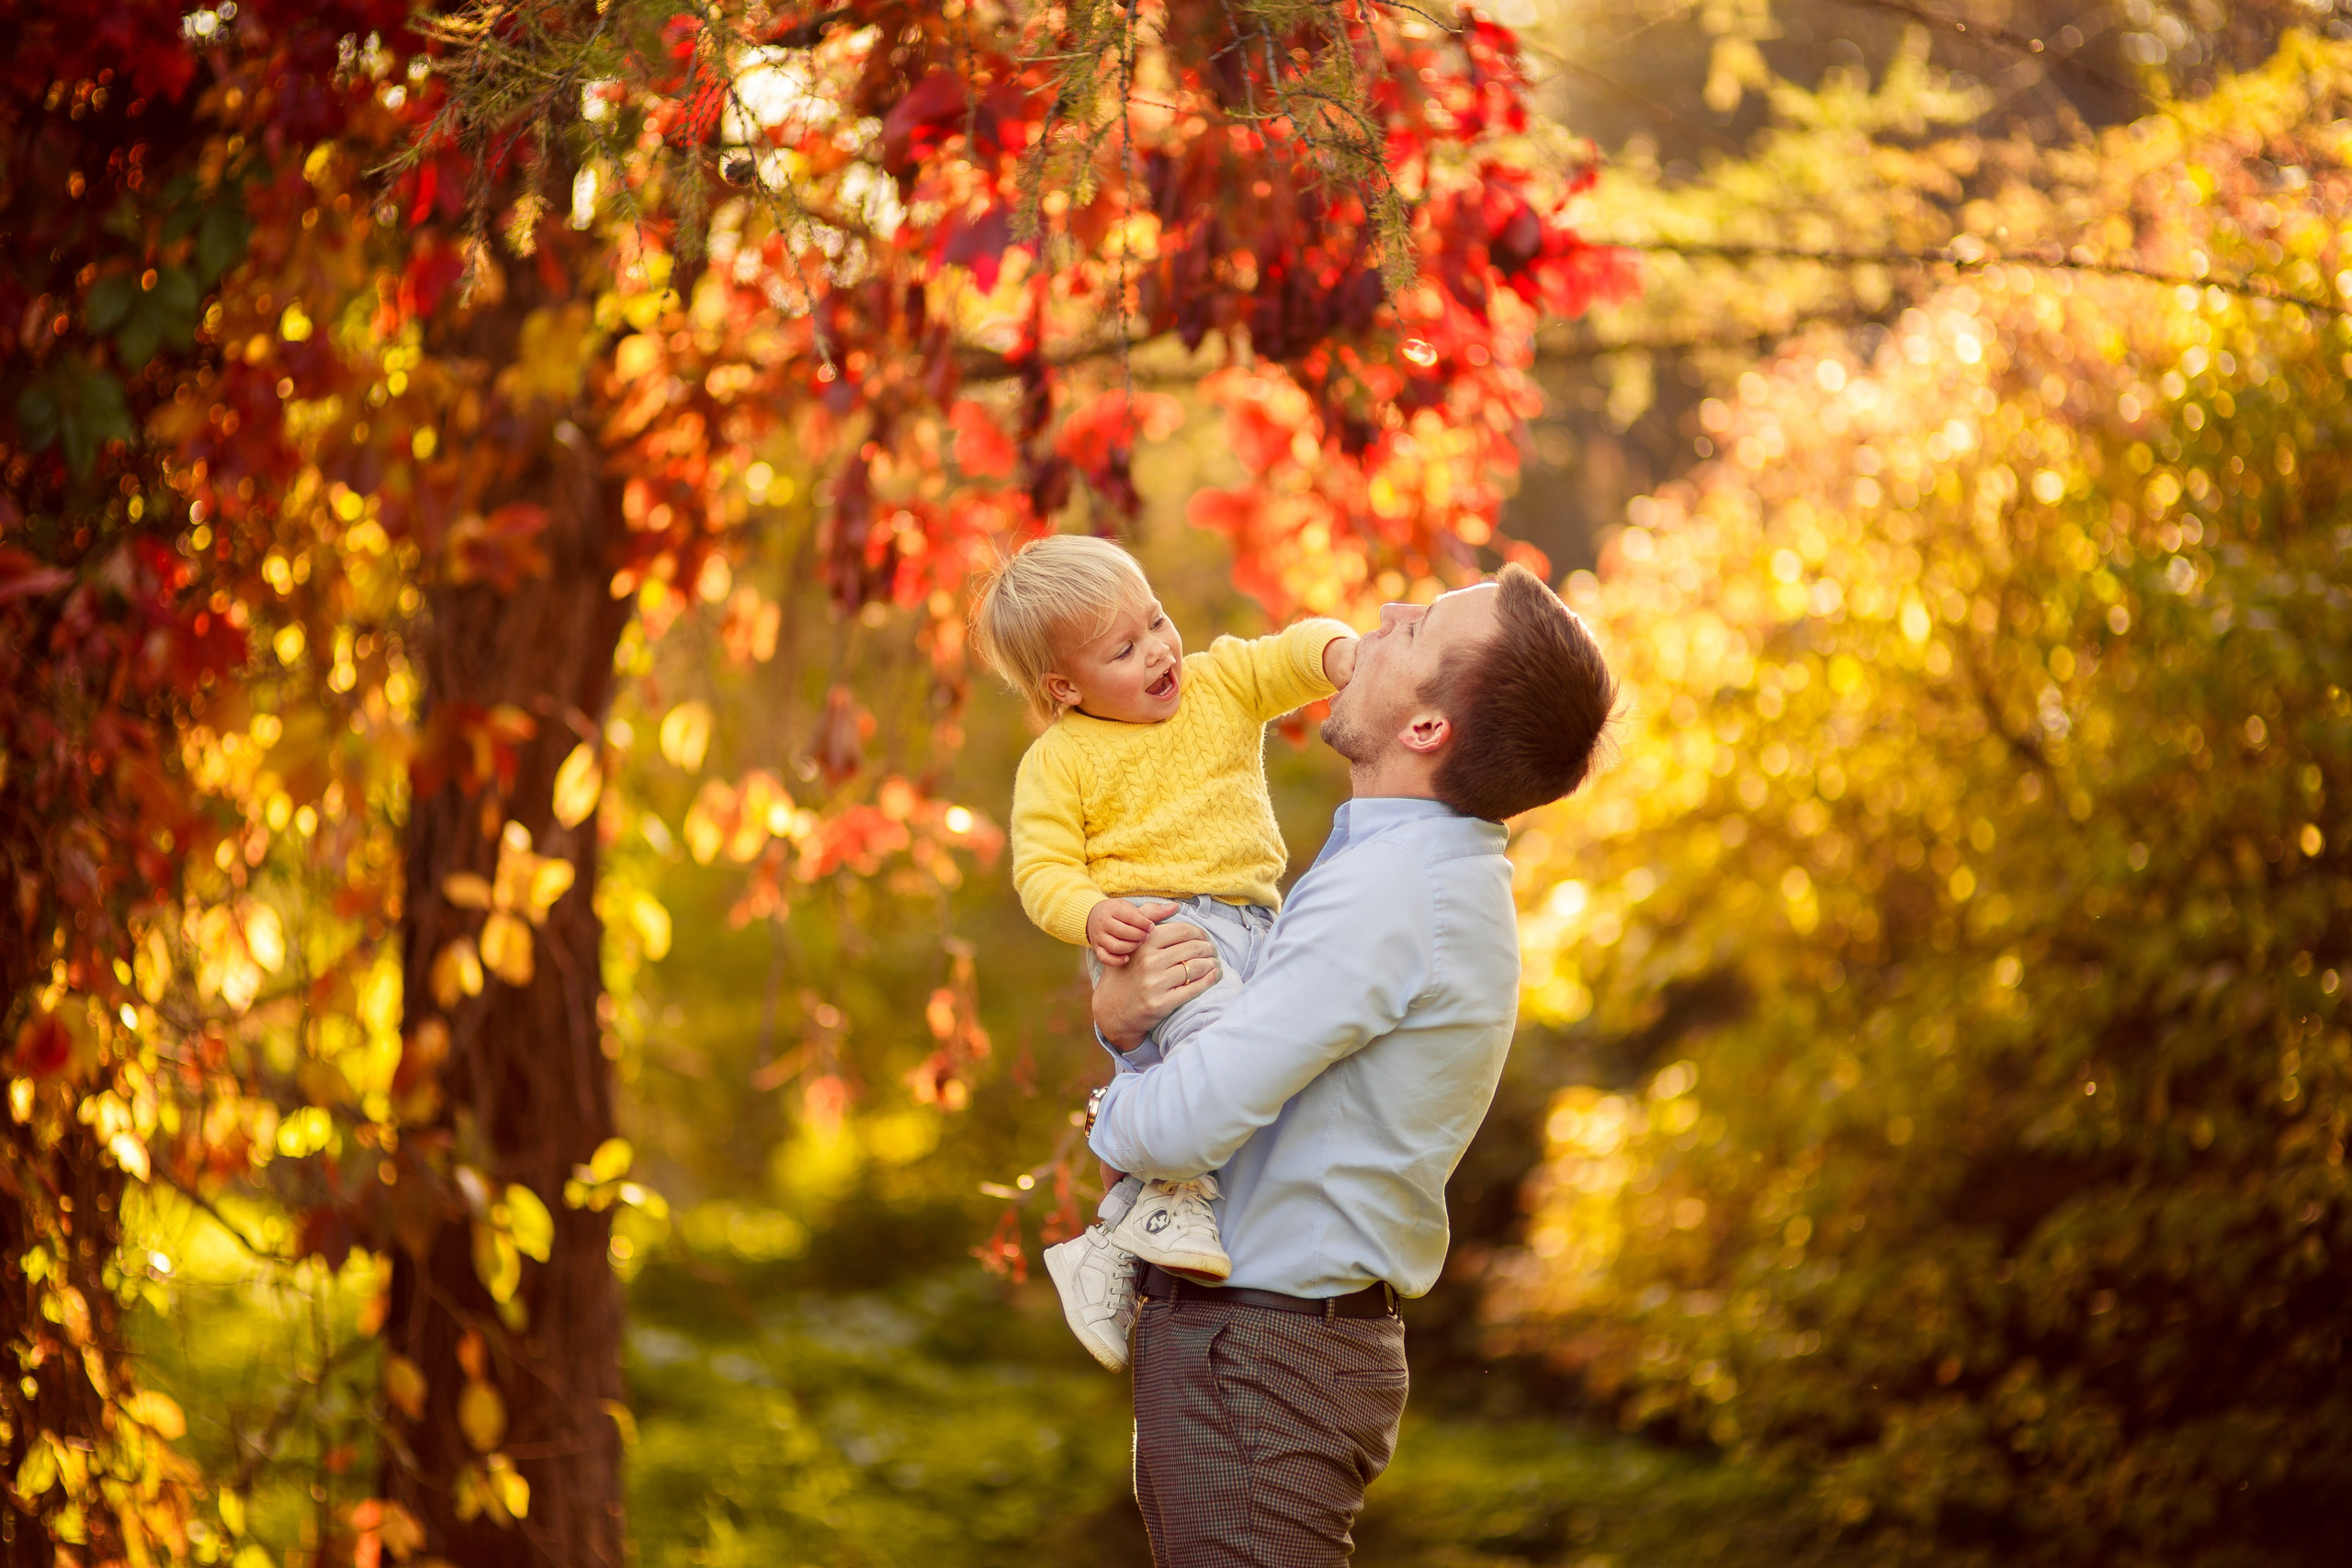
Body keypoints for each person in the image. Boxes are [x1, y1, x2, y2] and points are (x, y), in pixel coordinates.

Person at [1084, 563, 1616, 1567]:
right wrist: (1123, 1026)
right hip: (1268, 1346)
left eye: (1418, 628)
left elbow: (1188, 1123)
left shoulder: (1394, 887)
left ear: (1428, 728)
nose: (1388, 613)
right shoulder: (1413, 870)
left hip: (1263, 1354)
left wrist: (1109, 1109)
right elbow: (1227, 1059)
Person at [968, 535, 1359, 1366]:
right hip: (1159, 932)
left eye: (1156, 621)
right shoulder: (1060, 760)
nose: (1158, 650)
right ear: (1065, 687)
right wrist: (1091, 914)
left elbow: (1286, 655)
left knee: (1287, 1071)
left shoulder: (1217, 684)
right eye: (1124, 649)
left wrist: (1341, 656)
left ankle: (1110, 1239)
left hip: (1259, 926)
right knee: (1224, 1061)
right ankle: (1172, 1196)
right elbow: (1042, 869)